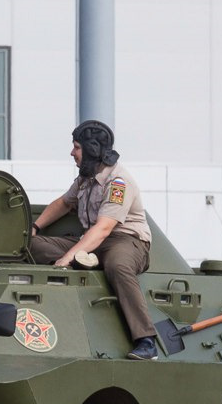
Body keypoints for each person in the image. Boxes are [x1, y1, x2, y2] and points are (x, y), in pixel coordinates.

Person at [29, 120, 159, 360]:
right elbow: (64, 203)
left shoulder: (118, 181)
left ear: (91, 150)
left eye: (76, 147)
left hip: (125, 240)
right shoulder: (86, 177)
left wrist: (67, 258)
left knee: (118, 266)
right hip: (91, 241)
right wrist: (35, 227)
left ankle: (146, 340)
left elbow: (104, 228)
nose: (72, 153)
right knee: (30, 246)